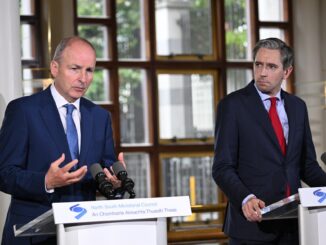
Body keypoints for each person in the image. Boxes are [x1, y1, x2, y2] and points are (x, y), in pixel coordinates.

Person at [0, 36, 124, 245]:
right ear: (55, 68)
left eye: (89, 70)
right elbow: (4, 173)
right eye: (75, 69)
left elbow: (103, 171)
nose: (83, 78)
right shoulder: (23, 110)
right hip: (32, 236)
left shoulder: (99, 116)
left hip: (83, 233)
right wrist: (46, 182)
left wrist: (114, 181)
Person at [212, 37, 326, 244]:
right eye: (258, 64)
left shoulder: (297, 107)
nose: (262, 72)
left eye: (271, 66)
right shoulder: (232, 105)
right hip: (251, 226)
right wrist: (246, 198)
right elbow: (222, 167)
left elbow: (307, 165)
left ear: (287, 72)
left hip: (293, 227)